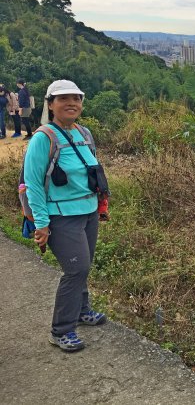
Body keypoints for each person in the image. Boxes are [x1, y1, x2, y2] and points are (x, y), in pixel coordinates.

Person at [25, 79, 107, 352]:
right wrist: (42, 224)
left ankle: (82, 311)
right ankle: (61, 330)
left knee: (85, 265)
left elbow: (92, 172)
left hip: (88, 212)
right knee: (76, 269)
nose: (72, 103)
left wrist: (100, 204)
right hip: (60, 216)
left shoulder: (84, 133)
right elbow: (33, 184)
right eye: (63, 99)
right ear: (50, 104)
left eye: (76, 98)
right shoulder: (43, 137)